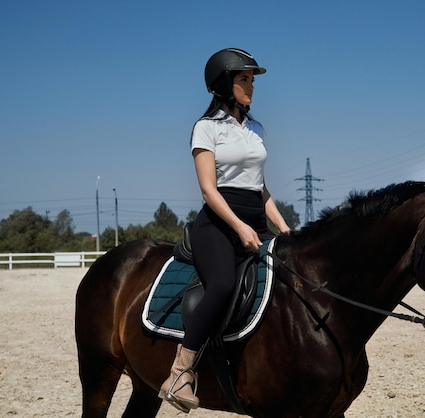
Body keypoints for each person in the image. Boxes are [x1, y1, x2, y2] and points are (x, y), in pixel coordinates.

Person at [159, 48, 291, 412]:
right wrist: (239, 226)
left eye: (252, 80)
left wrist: (282, 226)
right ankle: (179, 372)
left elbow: (260, 187)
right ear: (223, 85)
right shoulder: (206, 128)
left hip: (255, 222)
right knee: (221, 285)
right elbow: (208, 189)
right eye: (243, 79)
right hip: (217, 226)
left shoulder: (257, 129)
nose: (251, 86)